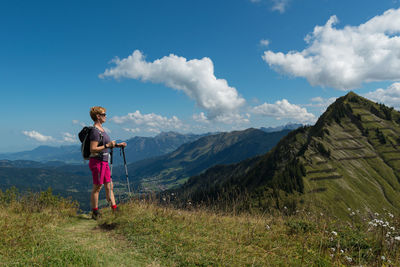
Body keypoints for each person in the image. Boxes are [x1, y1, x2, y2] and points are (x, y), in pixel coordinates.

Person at [88, 106, 126, 219]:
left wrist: (118, 145)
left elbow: (107, 145)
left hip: (104, 161)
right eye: (104, 114)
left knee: (109, 185)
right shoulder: (95, 131)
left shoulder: (102, 130)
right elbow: (93, 149)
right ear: (98, 116)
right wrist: (107, 146)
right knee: (97, 187)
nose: (106, 116)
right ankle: (95, 212)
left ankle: (114, 209)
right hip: (97, 162)